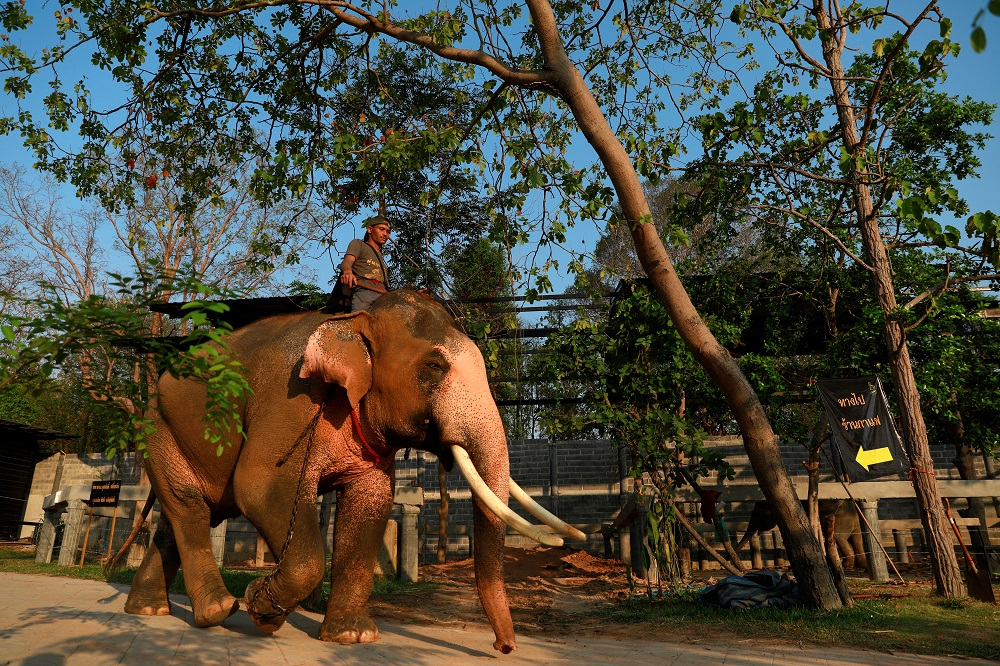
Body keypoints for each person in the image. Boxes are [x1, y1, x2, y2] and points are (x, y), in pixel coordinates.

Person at [338, 214, 393, 312]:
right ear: (370, 229)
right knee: (361, 323)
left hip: (383, 295)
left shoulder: (381, 259)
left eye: (388, 232)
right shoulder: (359, 244)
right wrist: (347, 272)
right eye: (381, 229)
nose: (385, 234)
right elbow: (347, 261)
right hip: (365, 291)